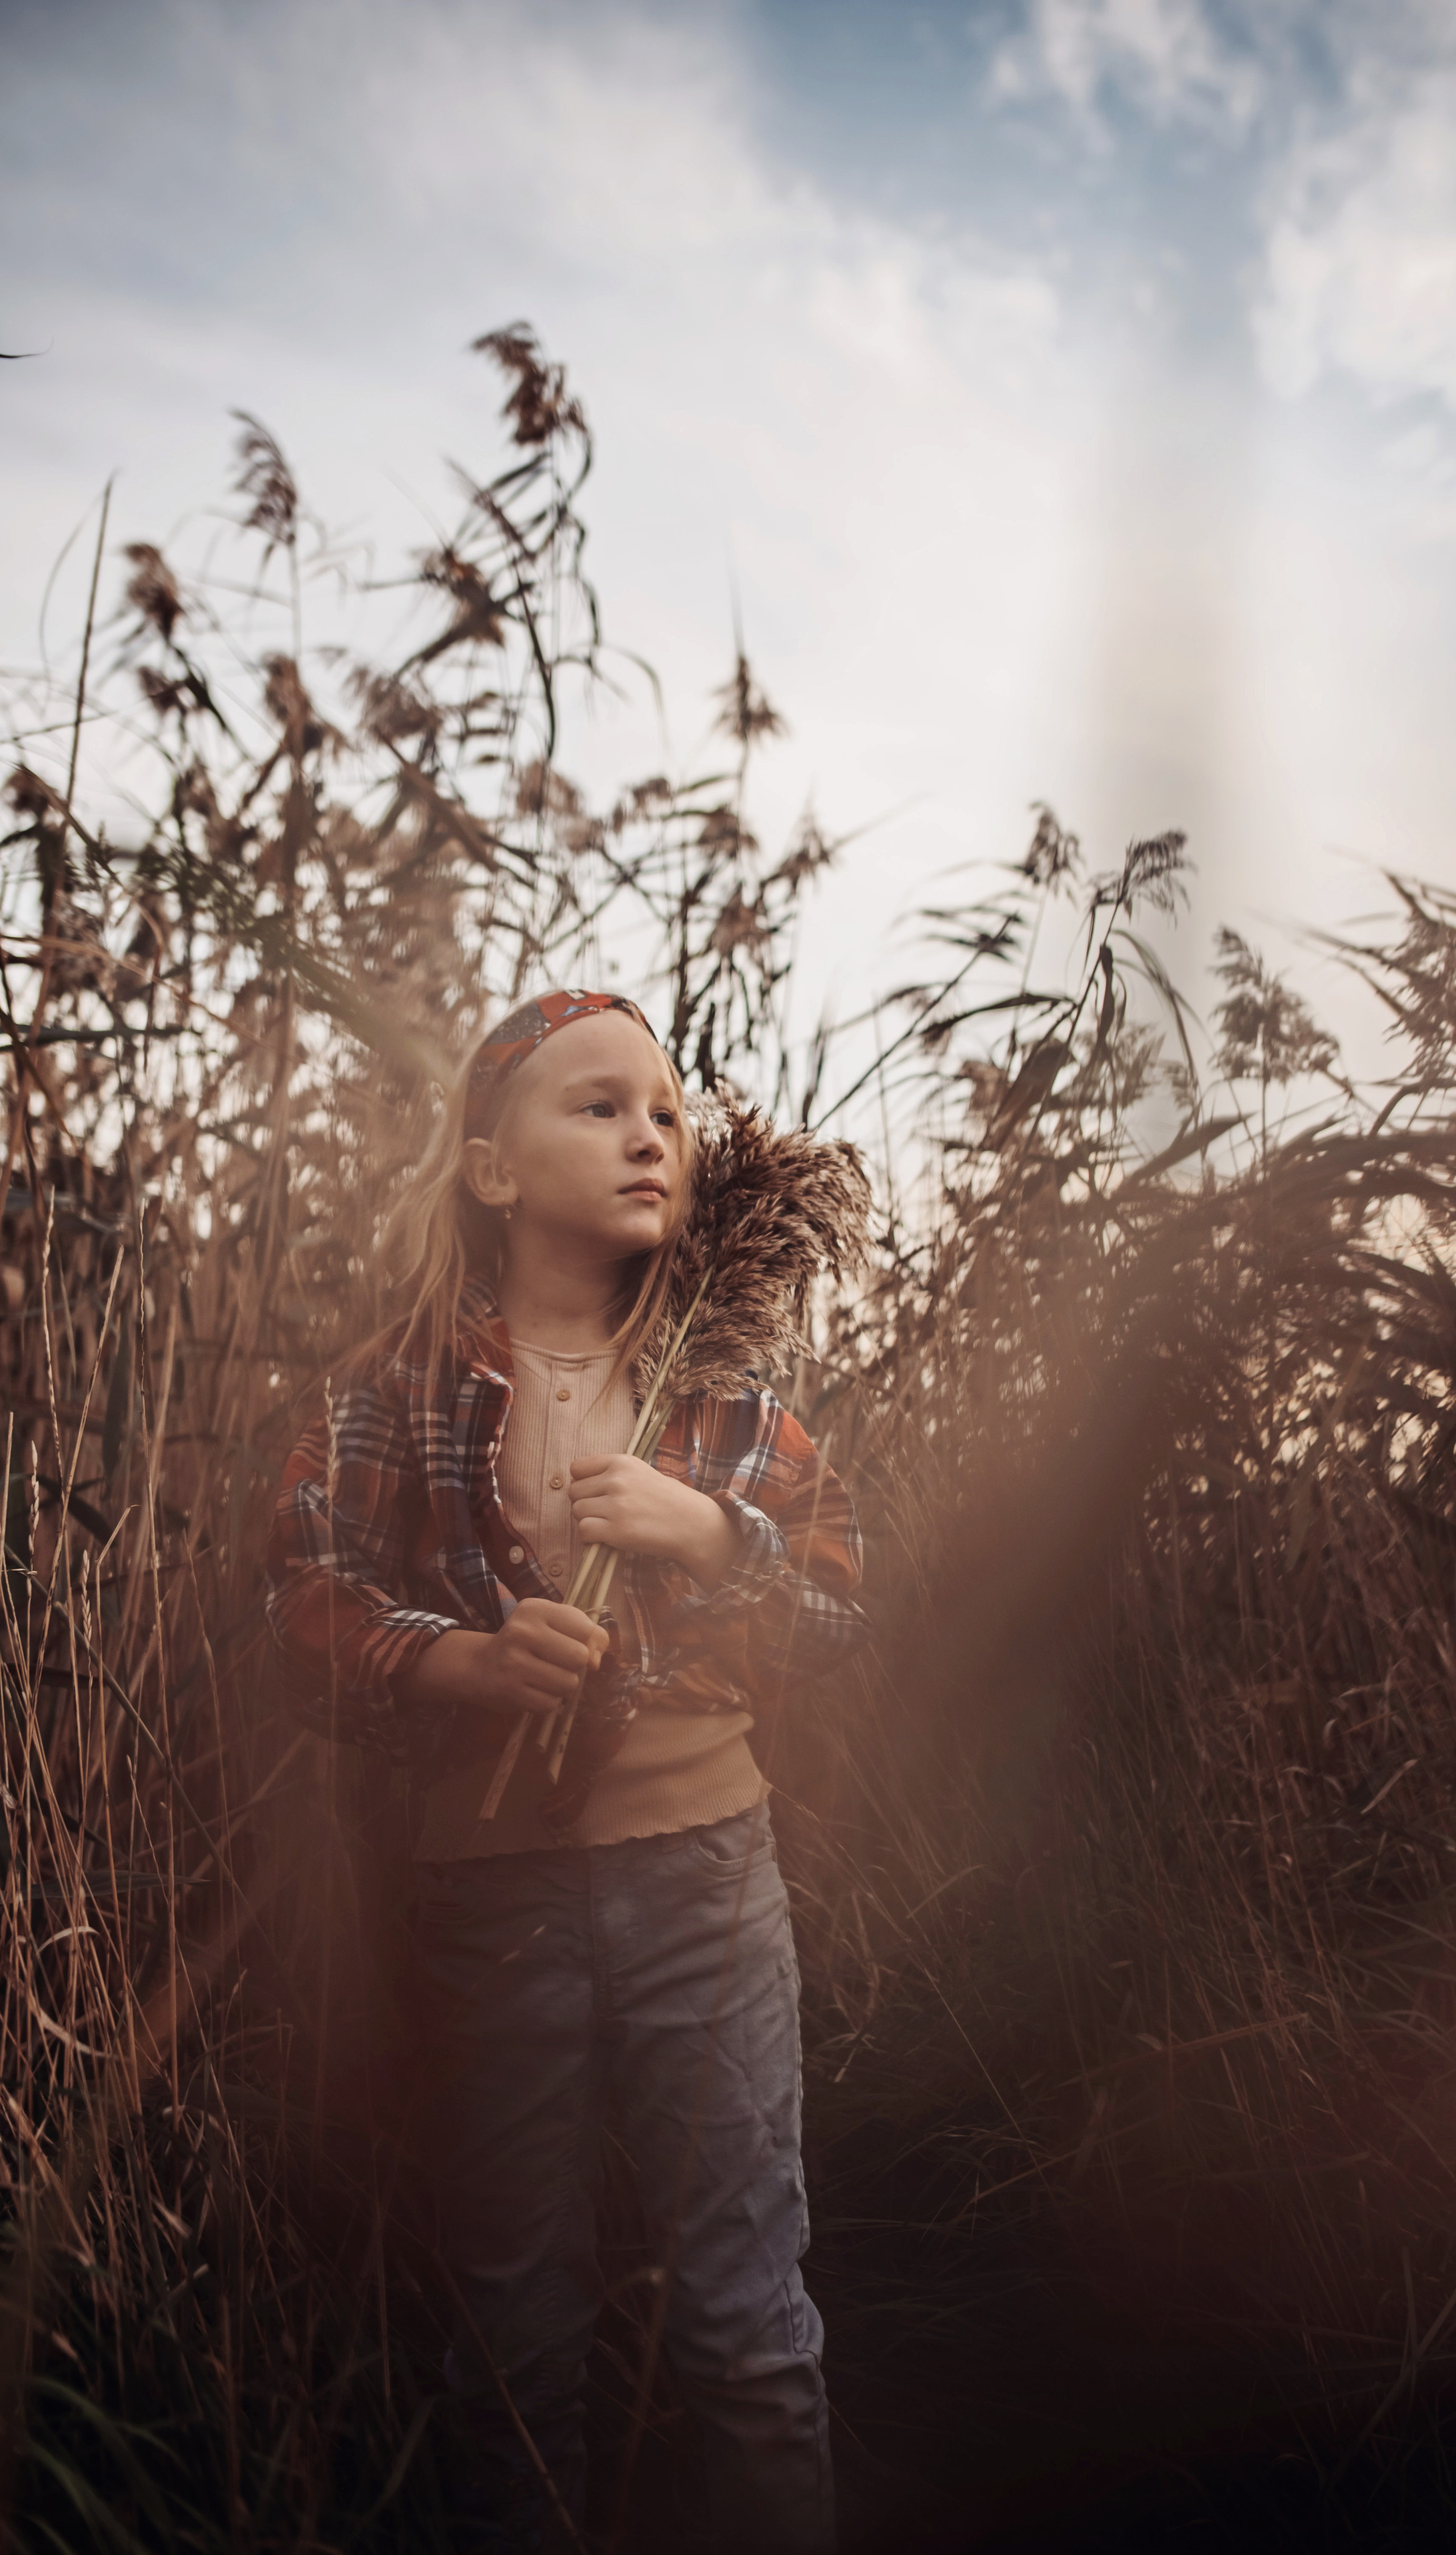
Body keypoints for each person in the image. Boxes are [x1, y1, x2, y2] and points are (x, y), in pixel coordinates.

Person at [264, 989, 868, 2554]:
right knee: (511, 2339)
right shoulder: (388, 1391)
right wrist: (453, 1659)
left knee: (742, 2323)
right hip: (488, 1904)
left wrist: (714, 1535)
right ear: (490, 1169)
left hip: (706, 1891)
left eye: (664, 1111)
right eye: (594, 1107)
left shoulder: (725, 1391)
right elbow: (301, 1603)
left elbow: (847, 1609)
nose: (646, 1134)